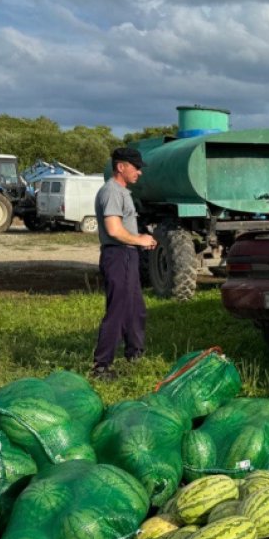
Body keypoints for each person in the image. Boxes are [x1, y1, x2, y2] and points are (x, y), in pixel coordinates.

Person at [91, 146, 157, 380]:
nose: (139, 172)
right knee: (118, 310)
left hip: (127, 254)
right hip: (118, 255)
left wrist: (139, 241)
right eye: (136, 167)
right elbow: (114, 229)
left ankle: (134, 354)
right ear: (121, 167)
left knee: (135, 308)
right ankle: (101, 366)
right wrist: (139, 239)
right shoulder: (112, 192)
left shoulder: (123, 192)